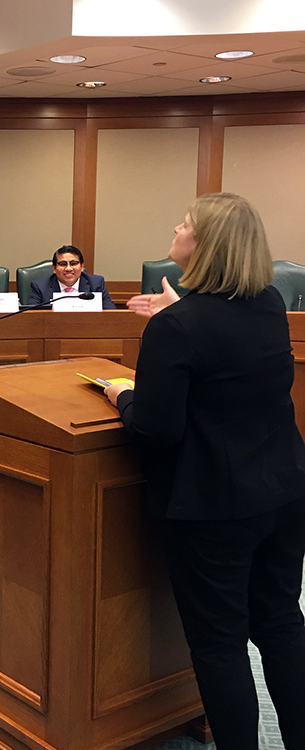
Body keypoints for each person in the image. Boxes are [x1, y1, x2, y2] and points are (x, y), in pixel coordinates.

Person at [104, 193, 305, 750]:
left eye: (186, 222)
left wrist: (122, 395)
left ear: (205, 243)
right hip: (284, 491)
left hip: (214, 507)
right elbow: (228, 362)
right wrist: (176, 313)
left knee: (218, 645)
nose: (176, 225)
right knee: (281, 625)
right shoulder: (267, 302)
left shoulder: (178, 327)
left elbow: (155, 430)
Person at [28, 245, 116, 309]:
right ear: (54, 268)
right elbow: (31, 316)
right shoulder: (40, 287)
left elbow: (111, 314)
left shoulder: (96, 283)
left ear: (81, 267)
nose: (68, 268)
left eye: (73, 263)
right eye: (63, 264)